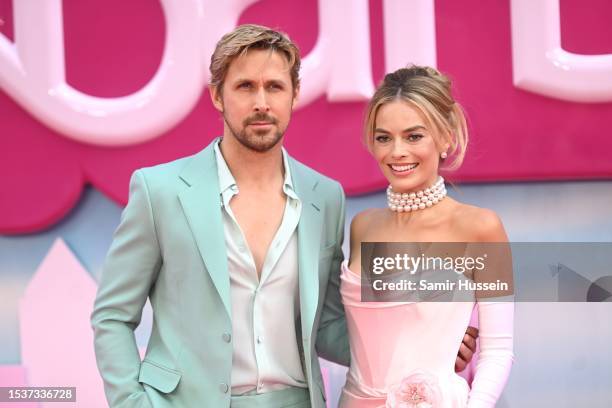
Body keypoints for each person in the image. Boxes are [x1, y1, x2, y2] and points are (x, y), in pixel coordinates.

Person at [91, 25, 478, 408]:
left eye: (274, 87)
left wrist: (425, 343)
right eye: (245, 86)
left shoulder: (324, 197)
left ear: (294, 95)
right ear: (217, 96)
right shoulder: (160, 190)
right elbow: (112, 316)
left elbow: (326, 327)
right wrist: (132, 403)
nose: (261, 102)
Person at [339, 66, 514, 407]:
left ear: (446, 137)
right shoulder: (362, 226)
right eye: (384, 137)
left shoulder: (480, 228)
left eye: (414, 136)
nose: (397, 151)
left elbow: (498, 351)